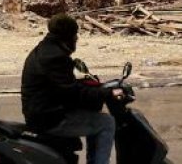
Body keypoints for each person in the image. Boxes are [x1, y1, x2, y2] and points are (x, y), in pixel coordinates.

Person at [21, 14, 122, 164]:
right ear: (67, 36)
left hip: (41, 111)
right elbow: (72, 93)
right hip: (49, 118)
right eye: (75, 35)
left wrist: (89, 85)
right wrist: (107, 92)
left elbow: (62, 84)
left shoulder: (44, 49)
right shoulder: (56, 57)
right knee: (106, 122)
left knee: (95, 117)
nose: (76, 39)